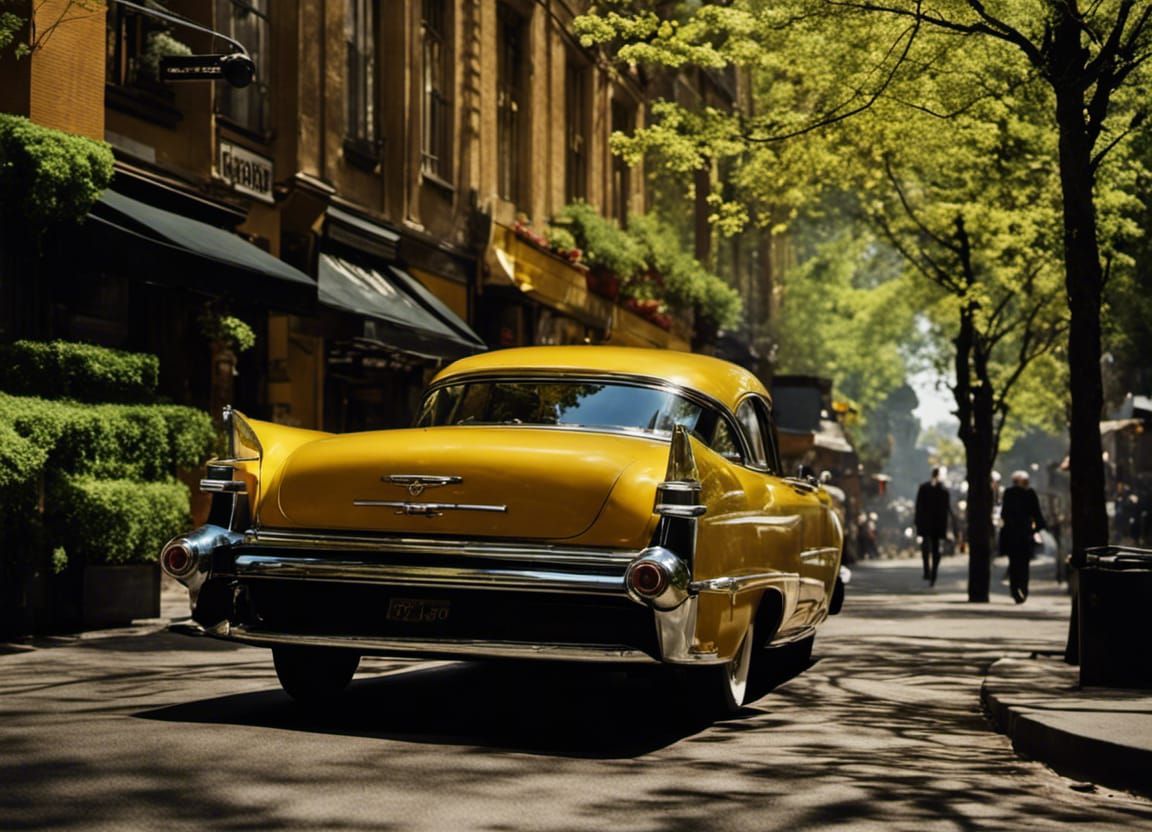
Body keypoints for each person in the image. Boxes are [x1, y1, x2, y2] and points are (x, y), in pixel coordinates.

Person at [999, 470, 1046, 603]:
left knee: (1014, 563)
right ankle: (1022, 589)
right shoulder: (1029, 494)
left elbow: (1004, 514)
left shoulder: (1009, 493)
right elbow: (1037, 513)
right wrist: (1037, 528)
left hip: (1013, 534)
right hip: (1024, 534)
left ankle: (1016, 591)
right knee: (1023, 564)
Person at [915, 467, 951, 586]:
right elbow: (946, 511)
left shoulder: (925, 488)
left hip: (927, 524)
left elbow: (919, 507)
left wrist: (918, 522)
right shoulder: (943, 490)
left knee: (927, 548)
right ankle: (932, 573)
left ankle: (929, 572)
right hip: (937, 524)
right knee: (934, 549)